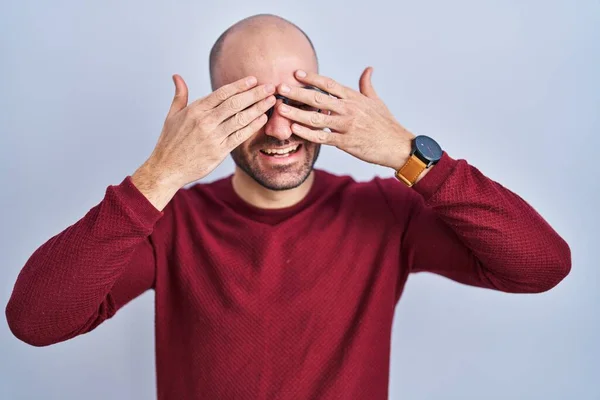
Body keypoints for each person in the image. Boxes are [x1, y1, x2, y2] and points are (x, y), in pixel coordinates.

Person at [5, 13, 571, 400]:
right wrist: (162, 172)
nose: (279, 130)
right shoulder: (170, 223)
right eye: (250, 105)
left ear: (328, 98)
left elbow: (542, 264)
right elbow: (34, 321)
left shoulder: (384, 215)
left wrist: (407, 153)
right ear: (211, 116)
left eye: (296, 101)